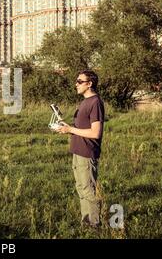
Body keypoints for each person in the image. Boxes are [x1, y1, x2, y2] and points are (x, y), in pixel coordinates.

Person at [56, 70, 105, 228]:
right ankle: (86, 223)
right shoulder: (85, 101)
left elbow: (95, 132)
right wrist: (66, 127)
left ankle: (95, 224)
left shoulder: (95, 102)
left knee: (88, 190)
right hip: (78, 151)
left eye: (79, 81)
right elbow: (81, 127)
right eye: (76, 81)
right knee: (81, 188)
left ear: (89, 84)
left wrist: (70, 130)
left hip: (87, 152)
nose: (76, 84)